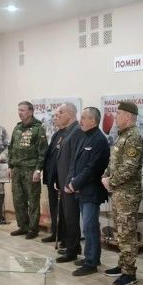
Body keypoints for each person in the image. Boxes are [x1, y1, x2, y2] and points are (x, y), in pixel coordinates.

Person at [101, 102, 143, 285]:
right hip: (119, 192)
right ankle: (122, 264)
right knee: (120, 232)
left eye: (118, 113)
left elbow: (129, 167)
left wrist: (111, 181)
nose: (115, 117)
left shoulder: (134, 137)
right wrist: (105, 176)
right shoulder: (122, 136)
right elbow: (114, 162)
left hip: (127, 194)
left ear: (128, 116)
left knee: (127, 234)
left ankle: (129, 272)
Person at [67, 107, 110, 276]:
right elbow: (75, 162)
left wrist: (74, 184)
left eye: (84, 117)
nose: (80, 120)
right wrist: (72, 182)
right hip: (82, 189)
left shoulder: (99, 139)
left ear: (93, 120)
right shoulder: (84, 136)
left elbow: (92, 168)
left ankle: (91, 263)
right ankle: (91, 257)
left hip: (92, 191)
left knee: (89, 227)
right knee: (88, 227)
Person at [7, 101, 48, 239]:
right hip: (17, 169)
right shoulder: (17, 128)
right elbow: (11, 148)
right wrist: (10, 166)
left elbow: (42, 151)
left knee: (33, 200)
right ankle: (23, 226)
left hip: (30, 169)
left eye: (23, 110)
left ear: (30, 111)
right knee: (18, 199)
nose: (20, 112)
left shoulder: (38, 128)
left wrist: (38, 170)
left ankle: (33, 229)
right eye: (19, 110)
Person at [54, 103, 85, 263]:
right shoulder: (67, 131)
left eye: (61, 112)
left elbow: (75, 161)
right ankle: (73, 246)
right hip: (64, 181)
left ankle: (72, 250)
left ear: (70, 114)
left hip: (70, 183)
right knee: (68, 216)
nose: (57, 115)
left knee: (71, 217)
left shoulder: (77, 131)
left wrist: (69, 182)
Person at [41, 108, 66, 243]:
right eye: (54, 116)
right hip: (51, 178)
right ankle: (54, 232)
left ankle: (61, 235)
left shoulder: (68, 134)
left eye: (58, 115)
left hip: (59, 178)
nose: (55, 118)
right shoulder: (57, 134)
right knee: (53, 207)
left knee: (61, 209)